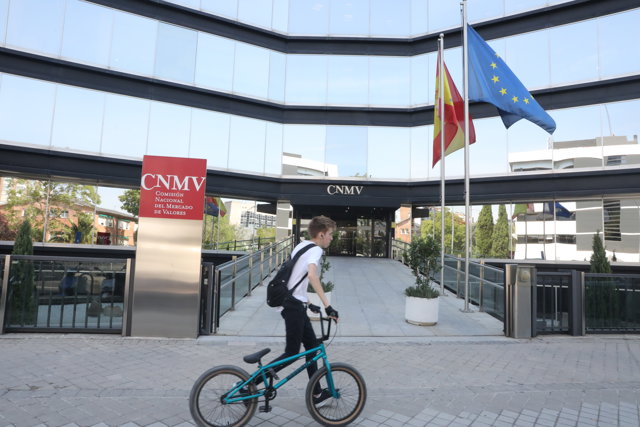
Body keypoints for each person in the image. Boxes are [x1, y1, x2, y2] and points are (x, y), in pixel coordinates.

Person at [266, 215, 339, 405]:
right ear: (321, 234)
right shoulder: (315, 250)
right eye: (330, 234)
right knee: (291, 352)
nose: (332, 238)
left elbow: (295, 280)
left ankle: (316, 394)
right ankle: (252, 383)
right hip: (293, 307)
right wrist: (327, 305)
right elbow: (313, 277)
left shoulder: (302, 245)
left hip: (294, 304)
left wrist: (309, 303)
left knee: (313, 347)